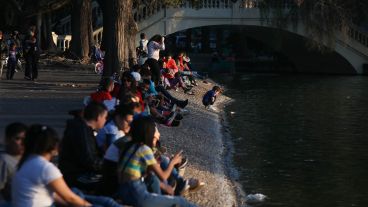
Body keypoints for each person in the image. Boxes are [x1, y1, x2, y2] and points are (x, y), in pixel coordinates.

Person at [117, 116, 196, 207]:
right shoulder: (144, 149)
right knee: (180, 201)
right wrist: (173, 162)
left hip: (123, 191)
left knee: (154, 180)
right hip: (137, 193)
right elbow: (163, 176)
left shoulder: (129, 146)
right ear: (149, 133)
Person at [11, 124, 92, 207]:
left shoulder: (25, 162)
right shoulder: (45, 168)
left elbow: (53, 196)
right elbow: (70, 198)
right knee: (82, 195)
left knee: (77, 193)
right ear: (54, 147)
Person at [59, 102, 108, 191]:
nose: (105, 121)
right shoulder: (82, 132)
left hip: (73, 173)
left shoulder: (82, 128)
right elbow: (90, 160)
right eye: (105, 118)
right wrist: (109, 166)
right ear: (98, 117)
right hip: (77, 176)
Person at [0, 122, 27, 204]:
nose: (23, 143)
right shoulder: (4, 160)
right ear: (7, 140)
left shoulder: (30, 158)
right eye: (18, 139)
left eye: (25, 139)